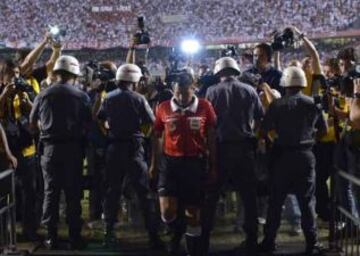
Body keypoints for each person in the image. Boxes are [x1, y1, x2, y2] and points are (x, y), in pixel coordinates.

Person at [259, 66, 328, 255]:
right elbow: (323, 131)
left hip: (282, 157)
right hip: (305, 156)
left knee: (275, 202)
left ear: (285, 84)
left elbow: (264, 130)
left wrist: (276, 140)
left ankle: (269, 242)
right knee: (306, 203)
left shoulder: (277, 105)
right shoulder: (313, 103)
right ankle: (312, 244)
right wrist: (310, 141)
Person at [95, 63, 163, 250]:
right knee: (143, 193)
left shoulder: (108, 97)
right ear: (135, 80)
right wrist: (144, 134)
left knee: (112, 192)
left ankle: (108, 234)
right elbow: (153, 123)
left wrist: (108, 132)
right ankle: (153, 235)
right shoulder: (139, 99)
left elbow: (100, 120)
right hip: (134, 149)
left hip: (114, 147)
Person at [150, 69, 217, 256]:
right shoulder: (163, 107)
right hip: (170, 164)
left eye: (185, 92)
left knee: (193, 215)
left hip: (195, 164)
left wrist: (213, 164)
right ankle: (176, 232)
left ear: (193, 89)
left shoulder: (205, 106)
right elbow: (157, 135)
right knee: (167, 212)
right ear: (173, 89)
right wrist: (154, 164)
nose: (181, 96)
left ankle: (191, 249)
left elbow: (211, 136)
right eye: (178, 92)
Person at [30, 55, 91, 250]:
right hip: (72, 149)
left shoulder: (43, 94)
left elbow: (32, 124)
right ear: (74, 74)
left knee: (51, 192)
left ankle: (51, 236)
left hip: (49, 150)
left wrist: (46, 130)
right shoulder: (82, 96)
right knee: (73, 193)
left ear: (56, 73)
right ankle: (74, 236)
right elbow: (88, 125)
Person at [205, 57, 264, 254]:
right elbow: (259, 117)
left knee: (212, 194)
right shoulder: (249, 90)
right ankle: (252, 239)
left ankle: (204, 237)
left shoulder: (212, 91)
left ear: (219, 72)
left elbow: (209, 124)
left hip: (220, 149)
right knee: (248, 197)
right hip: (244, 148)